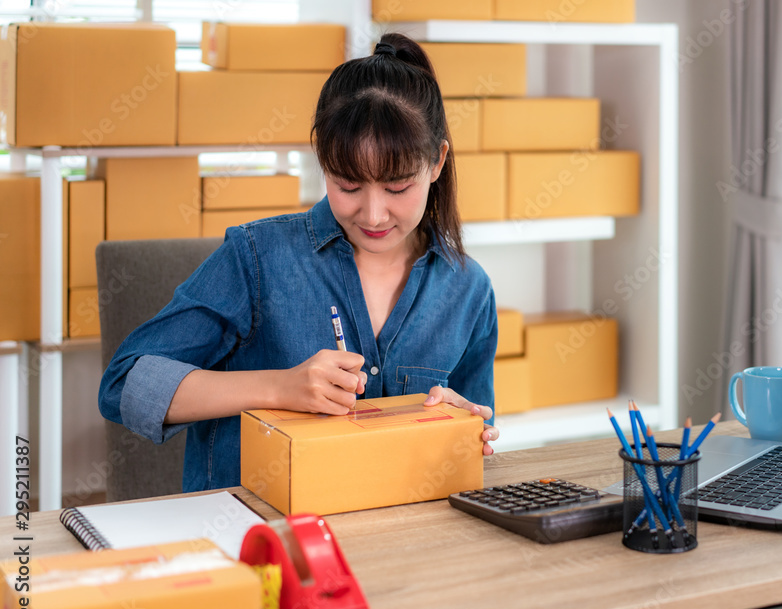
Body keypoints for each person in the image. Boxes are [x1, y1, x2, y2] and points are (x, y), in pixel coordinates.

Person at [99, 33, 500, 493]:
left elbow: (479, 441)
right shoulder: (257, 258)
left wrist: (461, 426)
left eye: (396, 187)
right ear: (323, 162)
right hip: (256, 539)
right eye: (348, 185)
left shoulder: (469, 289)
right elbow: (124, 384)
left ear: (437, 162)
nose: (372, 214)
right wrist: (281, 387)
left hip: (400, 538)